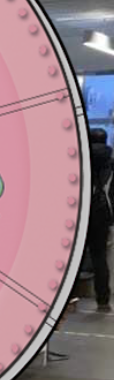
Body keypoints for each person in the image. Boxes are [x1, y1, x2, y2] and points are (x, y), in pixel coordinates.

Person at [88, 127, 113, 312]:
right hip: (102, 215)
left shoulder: (78, 161)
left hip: (79, 216)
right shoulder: (111, 164)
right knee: (99, 257)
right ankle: (103, 300)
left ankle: (67, 298)